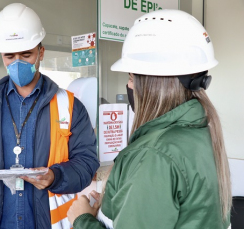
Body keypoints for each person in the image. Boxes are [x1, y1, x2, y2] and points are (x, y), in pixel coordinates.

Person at [67, 9, 231, 229]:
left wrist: (82, 219)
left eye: (132, 78)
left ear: (154, 85)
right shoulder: (201, 130)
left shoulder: (153, 155)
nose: (129, 87)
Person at [0, 3, 99, 229]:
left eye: (26, 54)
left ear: (41, 52)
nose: (17, 62)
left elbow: (87, 162)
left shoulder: (69, 106)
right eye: (9, 56)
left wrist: (55, 176)